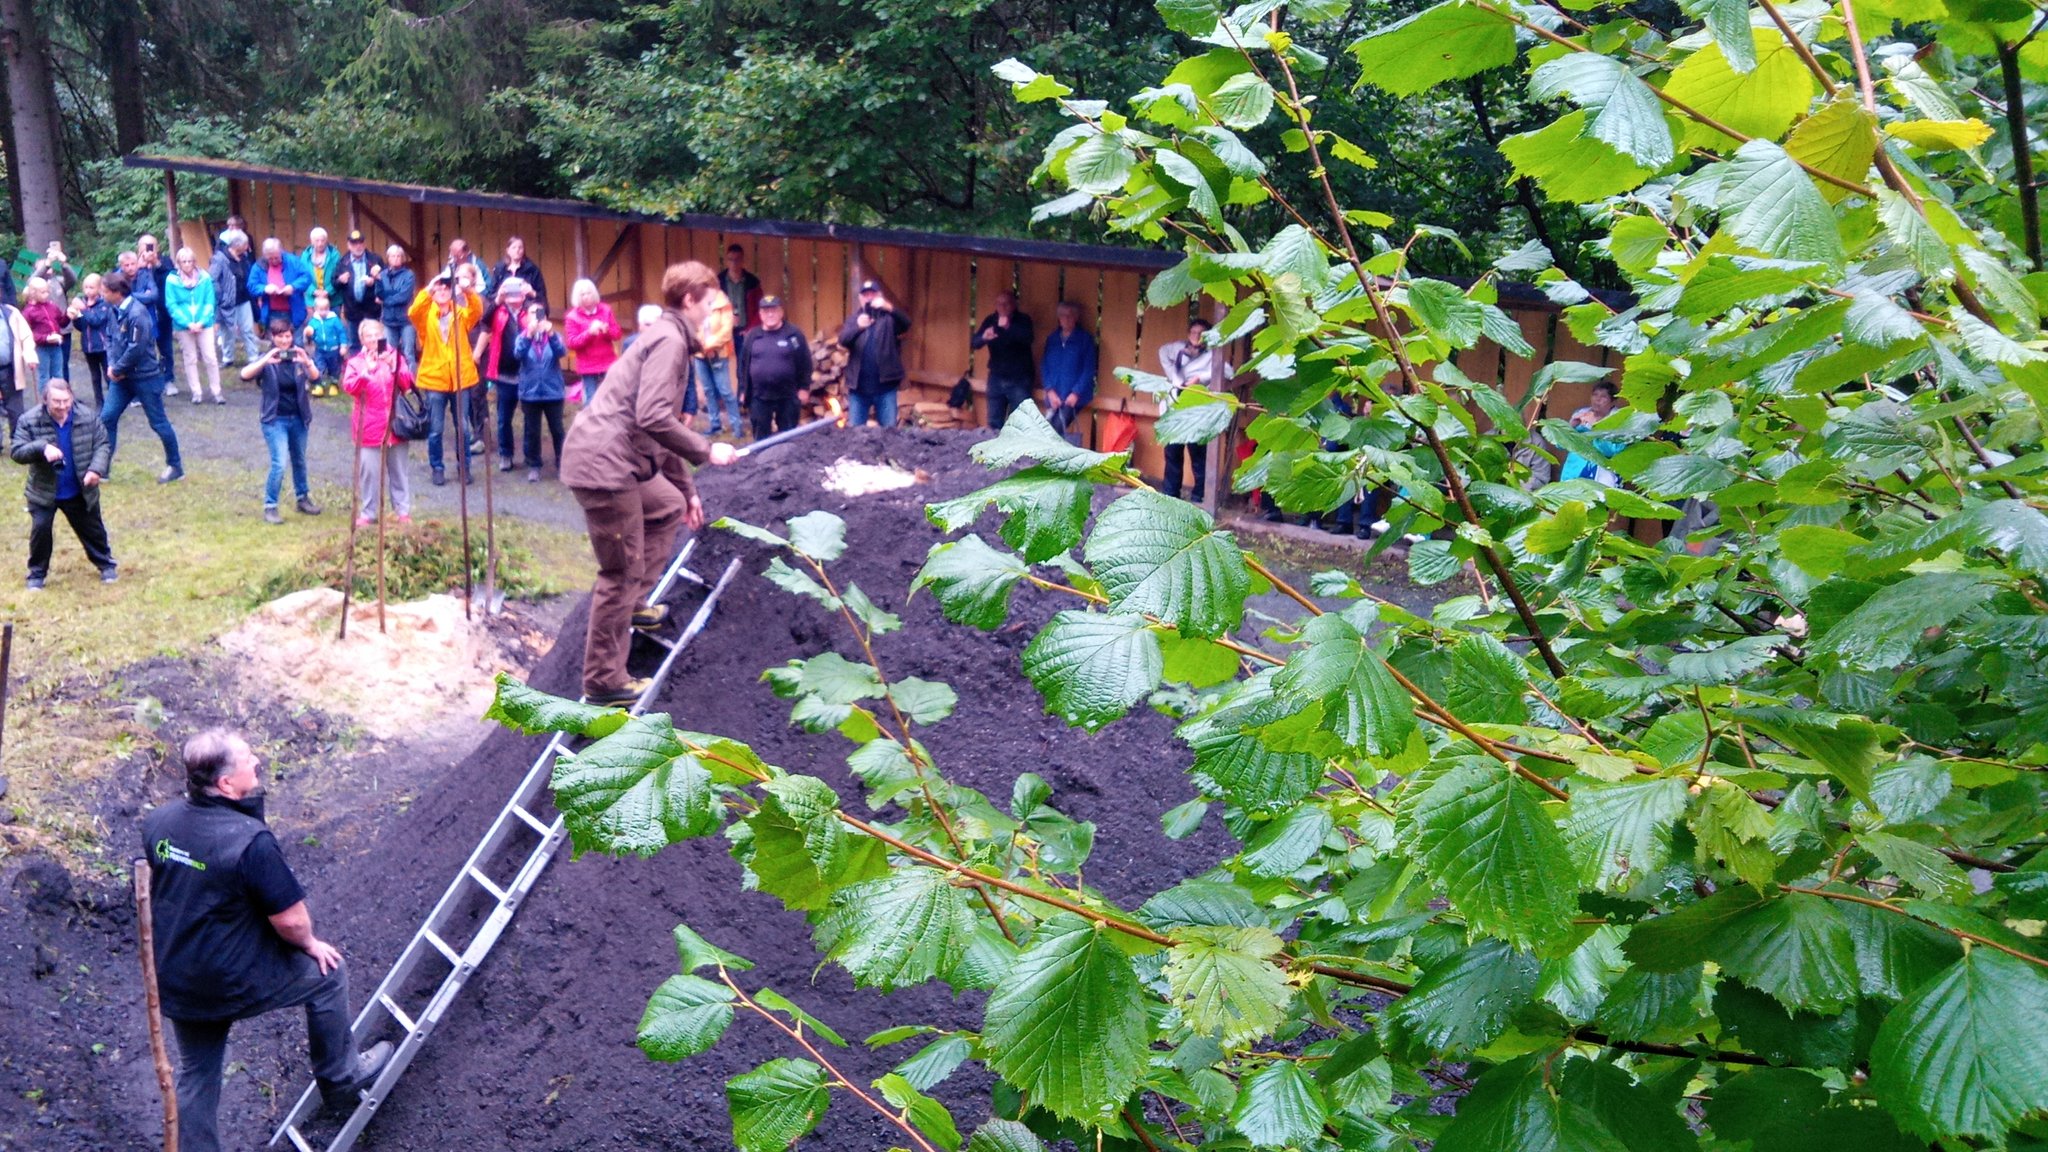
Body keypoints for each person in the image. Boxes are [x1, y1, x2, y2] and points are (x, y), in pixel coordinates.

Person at [140, 728, 394, 1152]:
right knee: (327, 973)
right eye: (247, 759)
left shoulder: (158, 823)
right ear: (225, 784)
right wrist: (311, 943)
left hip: (177, 976)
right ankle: (343, 1080)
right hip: (229, 977)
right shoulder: (250, 843)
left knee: (197, 1073)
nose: (257, 761)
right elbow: (291, 921)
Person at [560, 261, 737, 705]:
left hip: (619, 460)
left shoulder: (669, 337)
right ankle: (604, 680)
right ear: (689, 300)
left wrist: (688, 490)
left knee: (665, 506)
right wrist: (706, 449)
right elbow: (653, 417)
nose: (715, 310)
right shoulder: (670, 340)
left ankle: (634, 606)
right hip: (605, 466)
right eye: (710, 301)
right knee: (619, 572)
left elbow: (660, 426)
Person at [11, 378, 115, 588]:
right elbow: (17, 452)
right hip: (44, 491)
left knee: (93, 530)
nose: (62, 406)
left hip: (80, 490)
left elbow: (102, 444)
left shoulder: (88, 416)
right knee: (40, 532)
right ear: (45, 400)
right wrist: (42, 448)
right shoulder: (29, 420)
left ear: (72, 397)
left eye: (66, 400)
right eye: (56, 401)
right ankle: (37, 575)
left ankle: (106, 565)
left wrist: (96, 469)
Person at [98, 271, 184, 483]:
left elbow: (137, 348)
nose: (101, 294)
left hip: (144, 377)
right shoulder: (113, 310)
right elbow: (110, 338)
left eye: (104, 290)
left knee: (158, 422)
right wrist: (112, 365)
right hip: (121, 378)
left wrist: (117, 369)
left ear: (116, 292)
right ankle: (102, 468)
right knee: (107, 417)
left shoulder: (138, 314)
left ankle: (175, 466)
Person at [239, 318, 322, 524]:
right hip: (275, 419)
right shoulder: (267, 358)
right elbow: (244, 375)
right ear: (273, 337)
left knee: (299, 459)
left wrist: (307, 361)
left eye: (288, 336)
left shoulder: (298, 356)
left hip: (299, 417)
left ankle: (302, 498)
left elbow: (316, 377)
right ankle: (270, 505)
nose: (285, 341)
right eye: (280, 337)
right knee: (279, 463)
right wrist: (266, 359)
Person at [407, 270, 483, 486]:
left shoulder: (461, 314)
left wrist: (467, 289)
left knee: (463, 427)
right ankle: (437, 467)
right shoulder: (425, 315)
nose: (441, 291)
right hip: (434, 379)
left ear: (451, 292)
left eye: (446, 287)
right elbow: (413, 312)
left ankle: (464, 468)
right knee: (436, 429)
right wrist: (428, 290)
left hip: (461, 379)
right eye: (438, 288)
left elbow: (477, 309)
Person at [341, 319, 413, 527]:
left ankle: (402, 511)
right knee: (369, 473)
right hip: (368, 426)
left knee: (399, 470)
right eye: (368, 336)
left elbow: (407, 384)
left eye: (376, 335)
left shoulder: (394, 356)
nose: (373, 339)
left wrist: (393, 367)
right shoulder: (356, 362)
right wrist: (368, 372)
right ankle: (369, 512)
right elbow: (350, 388)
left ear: (383, 336)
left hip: (395, 424)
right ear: (362, 339)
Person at [1157, 318, 1229, 502]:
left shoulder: (1213, 355)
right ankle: (1170, 495)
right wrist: (1173, 375)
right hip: (1174, 408)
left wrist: (1200, 378)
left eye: (1201, 333)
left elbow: (1228, 372)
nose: (1196, 336)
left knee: (1198, 456)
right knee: (1172, 454)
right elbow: (1162, 352)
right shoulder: (1178, 349)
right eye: (1193, 332)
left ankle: (1199, 496)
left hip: (1196, 412)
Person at [477, 276, 534, 471]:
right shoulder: (499, 311)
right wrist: (497, 300)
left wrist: (532, 295)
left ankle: (530, 454)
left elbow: (544, 318)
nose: (513, 297)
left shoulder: (530, 309)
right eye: (509, 292)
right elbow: (484, 320)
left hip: (528, 372)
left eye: (516, 292)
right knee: (503, 419)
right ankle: (505, 454)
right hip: (504, 373)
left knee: (530, 417)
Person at [737, 296, 811, 441]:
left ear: (781, 312)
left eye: (773, 310)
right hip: (759, 397)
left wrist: (804, 387)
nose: (770, 314)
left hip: (788, 396)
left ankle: (787, 463)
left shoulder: (793, 335)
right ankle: (761, 462)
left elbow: (805, 362)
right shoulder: (752, 336)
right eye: (766, 311)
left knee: (788, 437)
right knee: (761, 437)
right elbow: (743, 366)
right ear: (760, 314)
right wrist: (742, 390)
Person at [838, 279, 910, 428]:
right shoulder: (854, 319)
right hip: (858, 390)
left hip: (885, 388)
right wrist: (858, 327)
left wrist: (890, 308)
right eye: (865, 295)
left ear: (880, 296)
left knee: (889, 433)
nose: (869, 298)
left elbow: (906, 324)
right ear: (860, 298)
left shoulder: (889, 318)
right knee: (856, 434)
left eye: (873, 294)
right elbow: (843, 340)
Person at [512, 302, 567, 482]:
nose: (536, 316)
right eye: (532, 313)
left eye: (539, 313)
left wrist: (550, 334)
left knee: (557, 430)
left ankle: (563, 463)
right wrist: (529, 335)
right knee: (532, 431)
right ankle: (534, 465)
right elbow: (518, 354)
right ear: (526, 317)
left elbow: (561, 352)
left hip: (553, 392)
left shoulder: (554, 335)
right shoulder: (521, 337)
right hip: (530, 392)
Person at [165, 248, 224, 406]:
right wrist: (187, 323)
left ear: (194, 262)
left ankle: (216, 391)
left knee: (210, 357)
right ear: (178, 263)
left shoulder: (204, 278)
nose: (187, 264)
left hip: (204, 324)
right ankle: (196, 392)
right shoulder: (171, 280)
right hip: (183, 326)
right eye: (184, 261)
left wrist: (202, 321)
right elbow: (172, 304)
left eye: (190, 261)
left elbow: (209, 302)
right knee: (190, 358)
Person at [971, 290, 1035, 429]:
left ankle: (1015, 450)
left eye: (1006, 304)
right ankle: (996, 449)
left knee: (1019, 422)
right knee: (994, 421)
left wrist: (1008, 327)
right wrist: (984, 338)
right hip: (996, 377)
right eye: (999, 304)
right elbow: (974, 343)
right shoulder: (991, 320)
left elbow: (1028, 338)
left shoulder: (1023, 320)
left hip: (1019, 379)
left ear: (1014, 304)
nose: (1002, 307)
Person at [1039, 301, 1097, 444]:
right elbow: (1044, 365)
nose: (1066, 319)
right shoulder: (1052, 339)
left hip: (1073, 398)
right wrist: (1050, 390)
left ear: (1076, 318)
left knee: (1055, 430)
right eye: (1062, 316)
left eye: (1070, 316)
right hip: (1053, 396)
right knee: (1045, 431)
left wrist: (1076, 393)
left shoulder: (1085, 339)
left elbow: (1089, 369)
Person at [691, 279, 742, 437]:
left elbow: (726, 331)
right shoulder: (696, 302)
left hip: (718, 353)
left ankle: (737, 427)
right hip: (700, 354)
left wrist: (709, 345)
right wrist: (700, 346)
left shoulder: (723, 303)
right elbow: (693, 327)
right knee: (708, 390)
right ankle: (715, 425)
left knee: (725, 390)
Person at [563, 278, 619, 402]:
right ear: (577, 297)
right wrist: (589, 333)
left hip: (608, 362)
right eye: (582, 294)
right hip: (587, 365)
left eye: (589, 293)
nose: (587, 297)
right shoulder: (572, 317)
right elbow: (572, 343)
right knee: (591, 400)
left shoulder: (606, 310)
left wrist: (607, 330)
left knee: (611, 398)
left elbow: (617, 334)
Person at [211, 229, 261, 366]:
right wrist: (221, 296)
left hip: (244, 299)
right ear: (237, 244)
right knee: (226, 331)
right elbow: (213, 280)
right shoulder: (220, 259)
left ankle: (253, 356)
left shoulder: (244, 257)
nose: (247, 247)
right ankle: (228, 359)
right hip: (227, 302)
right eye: (245, 244)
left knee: (248, 329)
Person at [1561, 381, 1625, 486]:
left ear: (1613, 401)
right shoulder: (1581, 414)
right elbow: (1561, 444)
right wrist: (1570, 426)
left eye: (1603, 396)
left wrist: (1594, 428)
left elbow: (1612, 451)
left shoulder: (1619, 421)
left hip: (1603, 476)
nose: (1597, 399)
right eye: (1595, 395)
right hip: (1574, 472)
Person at [332, 231, 384, 354]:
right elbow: (334, 283)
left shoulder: (376, 259)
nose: (358, 246)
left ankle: (382, 369)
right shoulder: (342, 262)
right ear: (348, 245)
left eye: (360, 242)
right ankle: (356, 371)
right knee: (354, 345)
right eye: (354, 243)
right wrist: (340, 280)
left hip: (373, 310)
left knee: (378, 343)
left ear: (364, 244)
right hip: (352, 311)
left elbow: (386, 281)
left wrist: (375, 280)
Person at [248, 239, 313, 334]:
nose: (274, 261)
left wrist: (293, 287)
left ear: (281, 251)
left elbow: (307, 277)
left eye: (277, 257)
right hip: (272, 313)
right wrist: (265, 289)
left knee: (297, 343)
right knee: (277, 343)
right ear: (265, 256)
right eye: (270, 259)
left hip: (294, 310)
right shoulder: (258, 267)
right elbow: (251, 286)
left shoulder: (293, 261)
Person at [137, 235, 177, 391]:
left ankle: (168, 379)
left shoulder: (165, 261)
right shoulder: (133, 262)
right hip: (141, 314)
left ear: (158, 247)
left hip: (162, 311)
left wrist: (156, 264)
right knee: (144, 349)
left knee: (166, 347)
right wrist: (140, 267)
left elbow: (173, 278)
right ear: (139, 247)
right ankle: (149, 381)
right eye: (145, 246)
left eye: (152, 245)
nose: (149, 249)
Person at [68, 274, 112, 407]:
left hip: (102, 346)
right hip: (88, 346)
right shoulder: (83, 302)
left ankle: (113, 402)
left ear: (99, 289)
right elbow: (81, 327)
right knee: (94, 376)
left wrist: (84, 309)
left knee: (108, 375)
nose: (88, 291)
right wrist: (75, 318)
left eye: (91, 287)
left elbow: (96, 321)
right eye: (86, 287)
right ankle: (99, 402)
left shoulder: (104, 304)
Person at [19, 277, 70, 389]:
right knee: (44, 377)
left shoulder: (52, 306)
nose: (47, 294)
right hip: (41, 349)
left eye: (48, 291)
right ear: (33, 293)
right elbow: (27, 334)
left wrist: (68, 315)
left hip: (56, 346)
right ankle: (45, 402)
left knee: (58, 375)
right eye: (43, 292)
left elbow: (62, 322)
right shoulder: (28, 312)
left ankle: (59, 397)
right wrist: (46, 338)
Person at [302, 292, 350, 397]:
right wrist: (308, 332)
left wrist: (343, 345)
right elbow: (310, 333)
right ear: (315, 309)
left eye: (325, 309)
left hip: (334, 350)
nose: (323, 312)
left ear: (329, 308)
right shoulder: (314, 321)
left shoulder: (334, 320)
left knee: (335, 367)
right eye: (320, 310)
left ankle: (334, 384)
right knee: (320, 366)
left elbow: (341, 332)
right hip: (320, 349)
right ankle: (320, 384)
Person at [376, 246, 417, 364]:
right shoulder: (382, 275)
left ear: (403, 258)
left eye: (399, 256)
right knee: (385, 353)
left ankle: (411, 381)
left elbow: (403, 297)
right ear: (388, 258)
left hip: (406, 320)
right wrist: (378, 281)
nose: (396, 258)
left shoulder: (409, 275)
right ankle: (388, 381)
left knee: (408, 353)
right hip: (388, 320)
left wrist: (385, 300)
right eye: (393, 256)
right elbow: (378, 294)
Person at [719, 243, 763, 347]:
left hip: (745, 332)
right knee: (724, 363)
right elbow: (710, 306)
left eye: (737, 259)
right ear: (726, 261)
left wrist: (751, 330)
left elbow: (761, 308)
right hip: (723, 331)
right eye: (731, 259)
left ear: (743, 261)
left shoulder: (753, 282)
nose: (734, 263)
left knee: (744, 362)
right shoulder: (718, 282)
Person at [489, 236, 548, 310]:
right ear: (508, 250)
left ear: (523, 250)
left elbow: (542, 298)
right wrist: (499, 294)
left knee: (537, 312)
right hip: (503, 308)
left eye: (520, 248)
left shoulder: (532, 270)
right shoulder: (500, 269)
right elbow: (491, 295)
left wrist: (532, 292)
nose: (517, 250)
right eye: (514, 248)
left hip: (527, 307)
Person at [301, 227, 341, 300]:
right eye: (317, 241)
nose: (320, 244)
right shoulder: (305, 256)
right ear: (312, 241)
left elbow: (339, 275)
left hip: (333, 299)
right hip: (312, 300)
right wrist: (314, 291)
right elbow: (302, 276)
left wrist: (327, 291)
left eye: (323, 240)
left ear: (326, 241)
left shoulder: (334, 255)